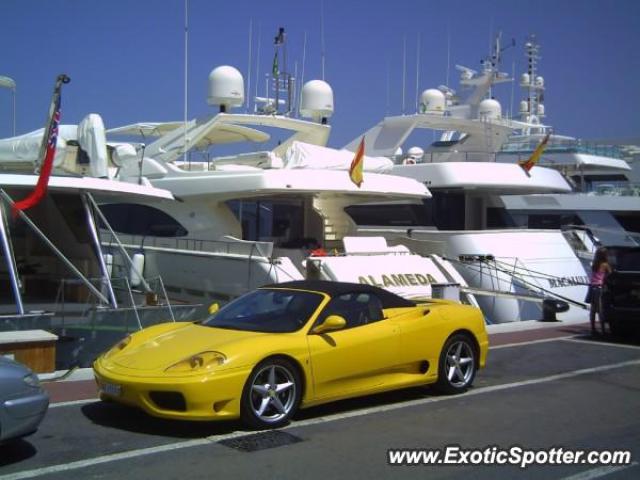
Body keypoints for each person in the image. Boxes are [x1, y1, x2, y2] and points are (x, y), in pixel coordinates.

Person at [589, 247, 612, 336]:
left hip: (592, 287)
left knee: (593, 309)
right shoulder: (605, 264)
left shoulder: (594, 264)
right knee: (601, 309)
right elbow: (610, 274)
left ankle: (593, 328)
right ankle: (603, 329)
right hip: (599, 288)